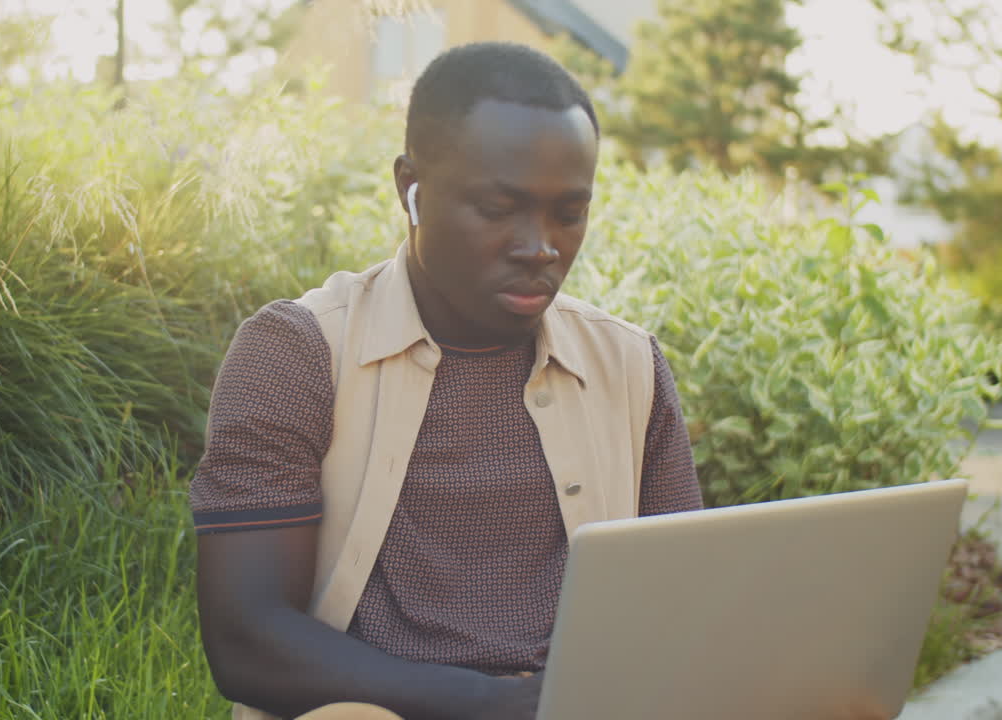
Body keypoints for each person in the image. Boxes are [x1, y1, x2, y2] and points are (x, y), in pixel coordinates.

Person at [191, 42, 704, 720]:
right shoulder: (299, 352)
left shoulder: (628, 364)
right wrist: (490, 705)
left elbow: (687, 606)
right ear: (412, 189)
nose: (540, 246)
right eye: (499, 209)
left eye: (568, 213)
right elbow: (247, 641)